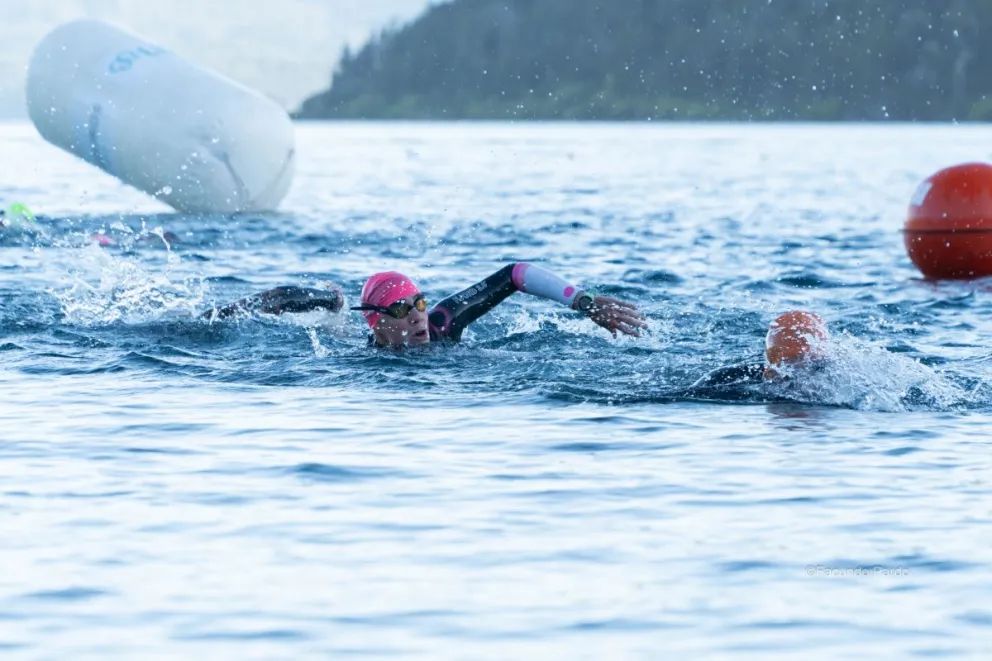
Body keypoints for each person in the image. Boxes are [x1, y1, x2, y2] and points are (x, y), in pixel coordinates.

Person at [205, 262, 646, 346]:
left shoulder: (442, 323)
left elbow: (515, 274)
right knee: (329, 309)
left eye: (417, 302)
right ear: (377, 322)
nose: (416, 316)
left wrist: (582, 301)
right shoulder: (351, 359)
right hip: (347, 328)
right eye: (400, 310)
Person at [689, 310, 829, 389]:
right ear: (771, 367)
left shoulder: (838, 376)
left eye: (816, 364)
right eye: (794, 361)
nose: (804, 370)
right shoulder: (723, 379)